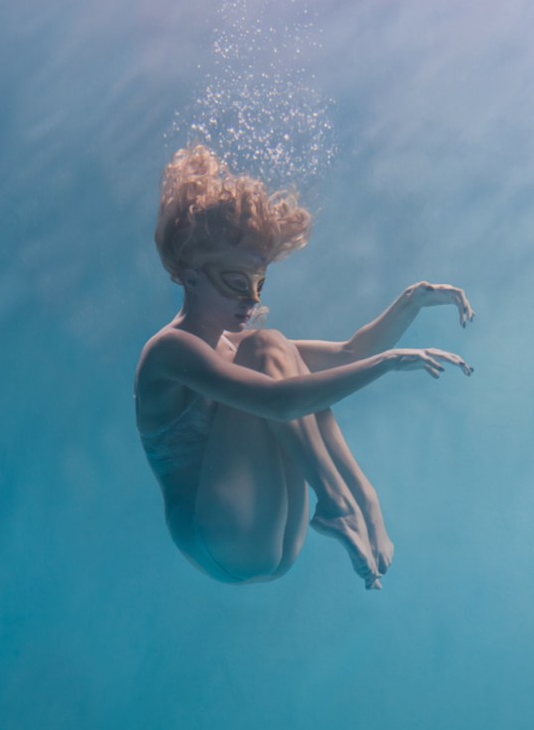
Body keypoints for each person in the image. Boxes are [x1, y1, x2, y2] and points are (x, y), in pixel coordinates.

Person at [135, 145, 474, 590]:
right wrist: (389, 362)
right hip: (215, 535)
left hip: (267, 539)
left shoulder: (239, 346)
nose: (251, 299)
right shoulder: (169, 352)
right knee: (270, 347)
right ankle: (339, 502)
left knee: (281, 355)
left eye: (259, 283)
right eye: (236, 282)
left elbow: (350, 354)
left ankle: (358, 501)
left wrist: (411, 302)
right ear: (191, 275)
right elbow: (280, 403)